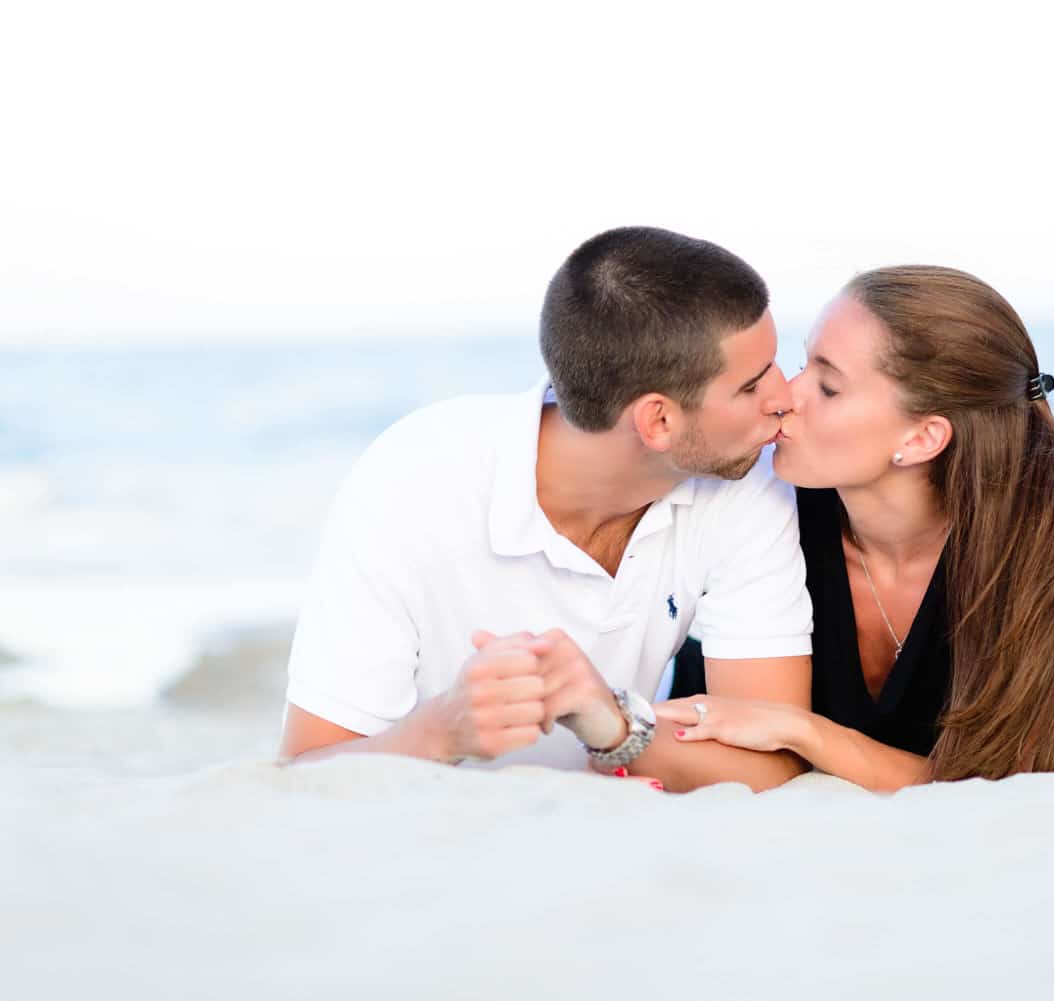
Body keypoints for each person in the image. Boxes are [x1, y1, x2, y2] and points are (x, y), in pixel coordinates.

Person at [658, 266, 1054, 790]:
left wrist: (806, 734)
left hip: (1045, 714)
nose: (786, 394)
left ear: (921, 439)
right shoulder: (769, 506)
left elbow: (975, 781)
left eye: (828, 385)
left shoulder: (1013, 558)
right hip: (818, 702)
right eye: (803, 361)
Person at [278, 226, 818, 792]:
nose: (784, 398)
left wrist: (610, 724)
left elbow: (771, 767)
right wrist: (441, 731)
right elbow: (303, 780)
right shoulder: (412, 480)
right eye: (752, 386)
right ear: (658, 421)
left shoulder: (745, 479)